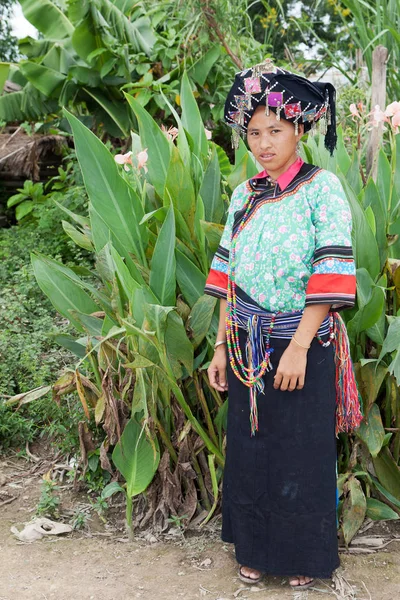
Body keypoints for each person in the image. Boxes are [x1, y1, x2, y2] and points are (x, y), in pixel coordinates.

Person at [204, 58, 363, 591]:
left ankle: (302, 556)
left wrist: (297, 347)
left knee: (300, 449)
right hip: (247, 343)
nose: (263, 142)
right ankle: (253, 549)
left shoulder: (323, 189)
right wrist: (221, 348)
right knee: (251, 449)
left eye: (275, 130)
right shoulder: (244, 195)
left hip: (301, 343)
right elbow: (227, 273)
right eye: (253, 132)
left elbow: (331, 267)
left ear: (300, 129)